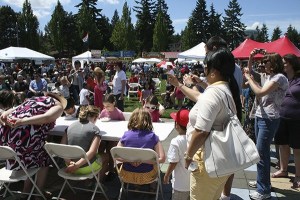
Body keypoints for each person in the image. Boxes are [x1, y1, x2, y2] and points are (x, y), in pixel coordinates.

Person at [167, 48, 241, 200]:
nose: (204, 70)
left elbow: (201, 131)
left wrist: (188, 157)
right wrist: (180, 85)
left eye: (205, 67)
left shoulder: (213, 93)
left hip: (207, 163)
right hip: (222, 160)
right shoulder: (224, 89)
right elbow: (201, 97)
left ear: (213, 71)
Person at [0, 91, 66, 198]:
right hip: (23, 139)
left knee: (34, 154)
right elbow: (47, 118)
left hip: (5, 141)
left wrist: (6, 119)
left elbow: (8, 112)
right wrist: (21, 121)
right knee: (44, 157)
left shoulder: (31, 100)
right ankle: (38, 193)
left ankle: (26, 191)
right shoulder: (57, 106)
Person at [244, 51, 288, 200]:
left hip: (269, 119)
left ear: (273, 63)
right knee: (261, 153)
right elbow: (249, 71)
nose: (262, 65)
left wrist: (249, 79)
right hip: (260, 116)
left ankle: (264, 191)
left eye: (265, 62)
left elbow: (260, 92)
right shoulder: (268, 76)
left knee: (262, 154)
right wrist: (250, 58)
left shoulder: (279, 78)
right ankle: (262, 182)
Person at [117, 108, 165, 184]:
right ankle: (153, 186)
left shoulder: (126, 135)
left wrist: (130, 160)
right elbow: (162, 159)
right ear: (149, 121)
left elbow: (116, 154)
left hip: (127, 175)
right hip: (147, 176)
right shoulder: (153, 137)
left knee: (120, 165)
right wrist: (143, 161)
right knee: (156, 164)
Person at [60, 105, 108, 181]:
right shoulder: (94, 129)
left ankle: (87, 182)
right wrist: (76, 165)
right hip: (85, 167)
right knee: (106, 156)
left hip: (69, 166)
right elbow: (92, 152)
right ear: (95, 117)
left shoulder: (69, 127)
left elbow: (62, 147)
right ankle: (99, 183)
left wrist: (69, 162)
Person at [273, 54, 300, 189]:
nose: (283, 64)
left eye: (285, 62)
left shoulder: (299, 79)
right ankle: (283, 170)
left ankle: (298, 175)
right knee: (282, 145)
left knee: (297, 148)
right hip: (281, 116)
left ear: (291, 64)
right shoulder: (282, 79)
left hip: (296, 119)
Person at [163, 109, 190, 200]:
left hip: (180, 185)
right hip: (193, 182)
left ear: (177, 125)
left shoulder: (176, 142)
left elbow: (173, 163)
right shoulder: (194, 139)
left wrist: (166, 175)